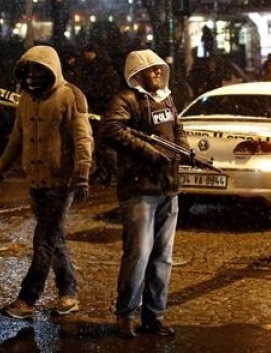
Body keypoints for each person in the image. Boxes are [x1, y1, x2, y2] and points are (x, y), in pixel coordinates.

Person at [0, 44, 94, 319]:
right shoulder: (25, 99)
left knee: (43, 241)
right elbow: (16, 140)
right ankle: (69, 293)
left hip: (61, 183)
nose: (33, 75)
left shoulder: (71, 96)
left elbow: (83, 138)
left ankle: (27, 298)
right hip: (36, 184)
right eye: (28, 69)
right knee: (54, 240)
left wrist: (81, 174)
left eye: (39, 69)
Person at [98, 49, 183, 339]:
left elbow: (177, 129)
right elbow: (110, 130)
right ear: (137, 73)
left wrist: (179, 152)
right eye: (151, 70)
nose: (158, 73)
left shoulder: (167, 98)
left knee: (163, 257)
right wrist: (150, 152)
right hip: (140, 190)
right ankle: (126, 314)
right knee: (138, 255)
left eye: (159, 68)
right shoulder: (126, 99)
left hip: (168, 188)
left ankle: (154, 316)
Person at [76, 44, 122, 185]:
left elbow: (106, 92)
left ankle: (112, 173)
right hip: (98, 110)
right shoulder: (97, 70)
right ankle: (104, 172)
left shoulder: (103, 71)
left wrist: (92, 96)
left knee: (105, 145)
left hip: (103, 111)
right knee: (99, 144)